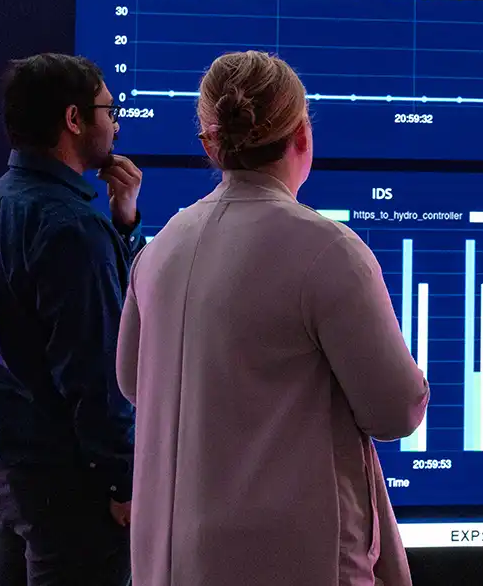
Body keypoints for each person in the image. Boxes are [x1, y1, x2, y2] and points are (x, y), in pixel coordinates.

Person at [119, 50, 429, 586]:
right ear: (303, 137)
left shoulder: (159, 248)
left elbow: (131, 382)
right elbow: (395, 411)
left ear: (209, 145)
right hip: (296, 561)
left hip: (174, 564)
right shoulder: (327, 249)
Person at [0, 52, 143, 586]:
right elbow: (94, 375)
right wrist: (123, 481)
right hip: (66, 486)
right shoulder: (69, 229)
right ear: (73, 119)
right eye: (109, 110)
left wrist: (121, 223)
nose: (114, 123)